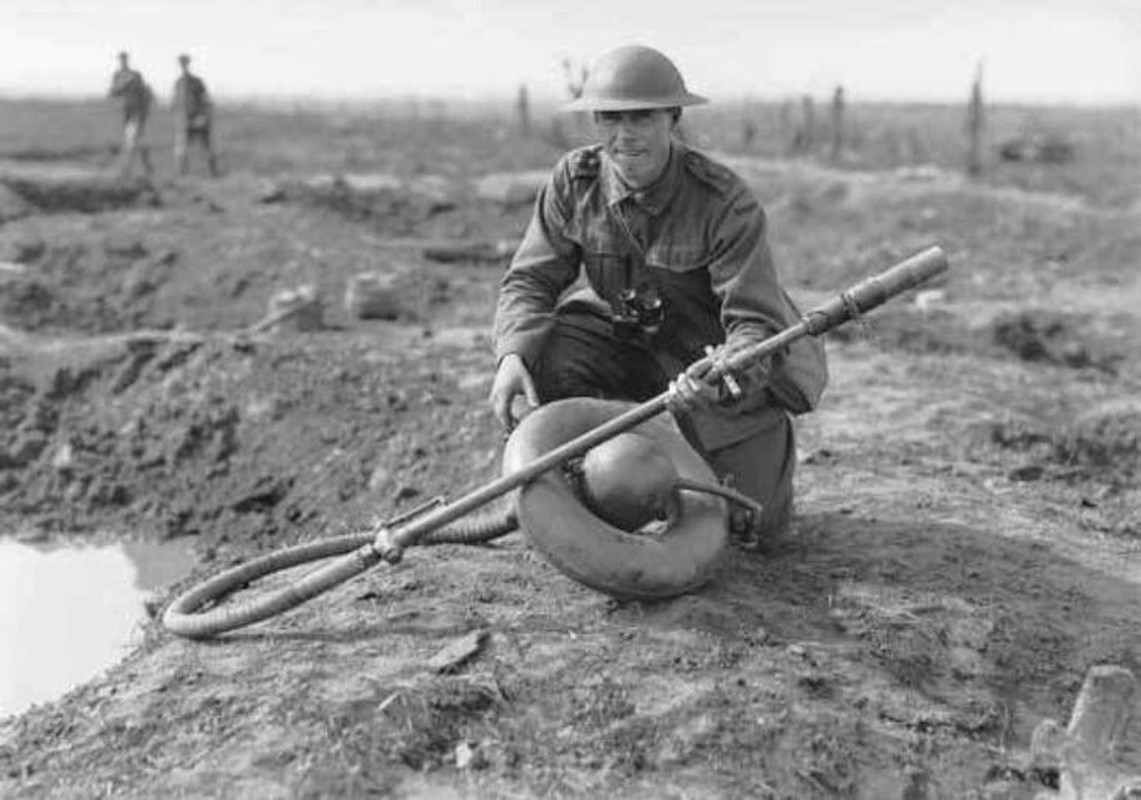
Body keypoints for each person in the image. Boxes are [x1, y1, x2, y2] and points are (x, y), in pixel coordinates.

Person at [489, 45, 828, 540]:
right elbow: (530, 280)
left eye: (642, 117)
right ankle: (594, 479)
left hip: (716, 376)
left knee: (751, 530)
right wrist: (511, 356)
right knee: (549, 352)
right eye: (610, 118)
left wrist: (721, 371)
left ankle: (721, 455)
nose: (624, 136)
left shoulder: (724, 202)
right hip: (633, 352)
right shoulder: (575, 182)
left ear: (673, 117)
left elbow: (755, 325)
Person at [107, 51, 154, 179]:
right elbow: (113, 92)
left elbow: (144, 93)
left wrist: (144, 111)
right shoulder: (117, 75)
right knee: (135, 142)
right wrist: (123, 85)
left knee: (131, 141)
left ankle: (126, 170)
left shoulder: (136, 75)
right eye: (121, 59)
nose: (123, 61)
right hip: (123, 113)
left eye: (124, 59)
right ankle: (148, 167)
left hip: (136, 113)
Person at [171, 54, 219, 177]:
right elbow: (176, 103)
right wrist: (178, 118)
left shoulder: (197, 82)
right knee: (181, 149)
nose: (183, 65)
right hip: (184, 120)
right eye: (181, 63)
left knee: (207, 148)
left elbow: (206, 100)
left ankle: (214, 173)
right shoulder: (178, 83)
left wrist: (203, 117)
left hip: (199, 119)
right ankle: (182, 176)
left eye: (184, 63)